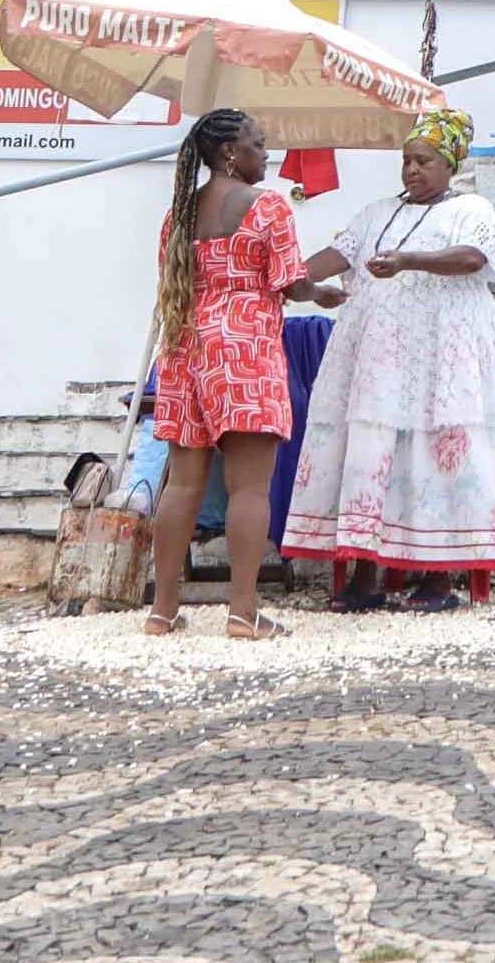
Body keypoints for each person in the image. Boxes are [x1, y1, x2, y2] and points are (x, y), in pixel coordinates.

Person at [282, 115, 495, 612]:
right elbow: (339, 253)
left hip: (443, 357)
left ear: (451, 163)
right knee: (373, 453)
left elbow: (473, 258)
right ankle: (364, 576)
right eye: (406, 161)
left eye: (424, 161)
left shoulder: (472, 209)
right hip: (378, 360)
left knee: (435, 453)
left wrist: (408, 261)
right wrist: (286, 273)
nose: (412, 171)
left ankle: (439, 580)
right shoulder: (376, 213)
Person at [136, 108, 335, 640]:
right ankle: (243, 613)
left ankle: (162, 610)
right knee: (250, 488)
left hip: (184, 345)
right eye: (258, 143)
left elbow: (172, 279)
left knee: (181, 485)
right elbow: (291, 284)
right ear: (231, 152)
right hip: (244, 347)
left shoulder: (177, 214)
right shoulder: (267, 206)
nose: (265, 152)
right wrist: (324, 293)